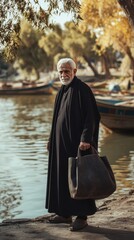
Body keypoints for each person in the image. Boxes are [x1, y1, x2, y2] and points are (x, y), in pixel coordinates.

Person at [45, 58, 100, 231]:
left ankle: (82, 217)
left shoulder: (82, 89)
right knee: (62, 177)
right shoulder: (62, 91)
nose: (63, 74)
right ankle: (65, 213)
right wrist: (50, 139)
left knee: (80, 179)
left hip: (78, 145)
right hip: (60, 145)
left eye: (67, 70)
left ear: (75, 71)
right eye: (61, 71)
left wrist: (86, 139)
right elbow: (56, 120)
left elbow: (91, 117)